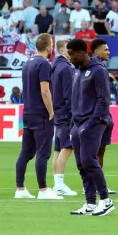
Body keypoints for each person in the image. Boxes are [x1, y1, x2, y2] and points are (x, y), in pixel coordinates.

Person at [68, 39, 115, 217]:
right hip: (78, 123)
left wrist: (91, 123)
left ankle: (105, 200)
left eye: (72, 54)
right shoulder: (78, 72)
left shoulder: (98, 71)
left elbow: (103, 100)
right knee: (81, 164)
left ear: (82, 53)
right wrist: (74, 122)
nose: (70, 58)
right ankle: (90, 203)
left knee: (89, 160)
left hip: (92, 124)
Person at [13, 34, 61, 200]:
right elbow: (45, 90)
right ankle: (43, 189)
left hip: (27, 112)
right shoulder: (44, 64)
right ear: (48, 47)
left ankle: (20, 188)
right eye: (52, 44)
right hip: (41, 113)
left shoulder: (27, 63)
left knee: (25, 152)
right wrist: (51, 112)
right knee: (43, 153)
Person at [50, 38, 78, 196]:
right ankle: (59, 184)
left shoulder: (54, 66)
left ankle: (57, 183)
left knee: (58, 149)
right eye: (69, 49)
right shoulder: (66, 68)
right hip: (66, 113)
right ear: (62, 51)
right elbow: (69, 94)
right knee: (67, 147)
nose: (72, 52)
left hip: (58, 111)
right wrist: (74, 113)